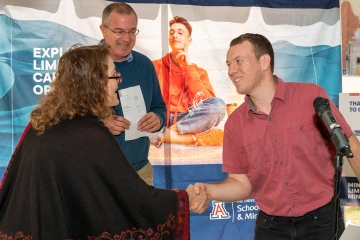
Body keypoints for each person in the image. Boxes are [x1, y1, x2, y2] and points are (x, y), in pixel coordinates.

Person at [0, 45, 207, 239]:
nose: (119, 79)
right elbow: (134, 198)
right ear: (94, 83)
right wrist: (183, 200)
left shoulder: (41, 124)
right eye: (113, 74)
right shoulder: (90, 135)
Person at [193, 33, 360, 239]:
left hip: (323, 223)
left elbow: (351, 144)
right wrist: (209, 192)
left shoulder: (311, 97)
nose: (231, 70)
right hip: (271, 228)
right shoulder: (235, 124)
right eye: (228, 64)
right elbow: (241, 184)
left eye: (238, 61)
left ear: (264, 62)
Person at [99, 2, 166, 185]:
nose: (126, 38)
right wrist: (101, 124)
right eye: (119, 31)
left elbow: (159, 107)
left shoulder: (144, 65)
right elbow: (69, 118)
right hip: (97, 173)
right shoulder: (85, 65)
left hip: (139, 171)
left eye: (132, 31)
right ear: (103, 30)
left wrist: (158, 119)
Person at [150, 16, 226, 147]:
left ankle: (168, 134)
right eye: (172, 32)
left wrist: (188, 68)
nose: (175, 36)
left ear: (189, 40)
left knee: (218, 106)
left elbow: (204, 102)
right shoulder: (155, 66)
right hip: (161, 118)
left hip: (189, 119)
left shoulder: (199, 72)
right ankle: (189, 139)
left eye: (180, 33)